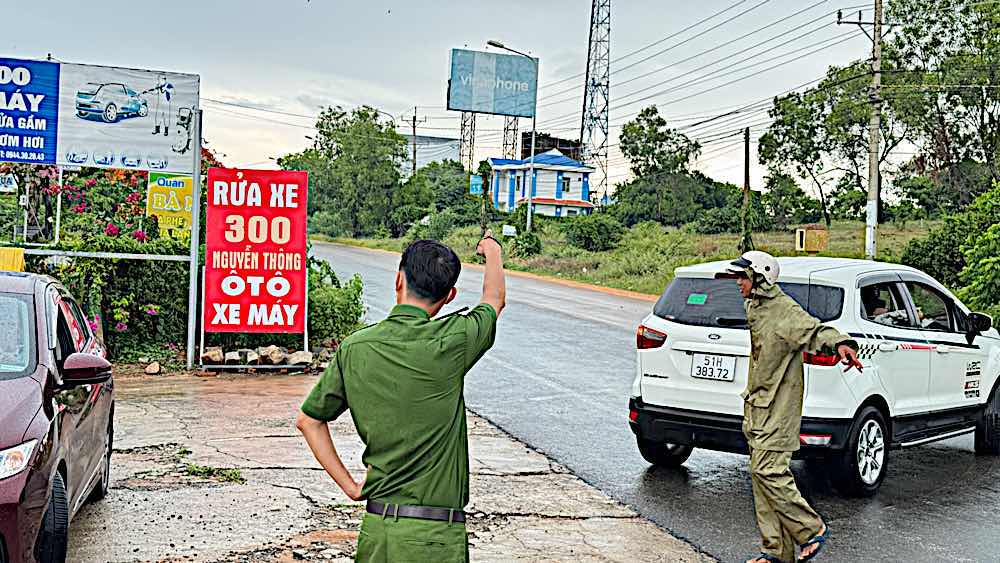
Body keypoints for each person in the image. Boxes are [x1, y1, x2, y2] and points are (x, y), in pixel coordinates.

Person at [296, 232, 505, 563]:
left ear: (398, 280)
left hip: (377, 533)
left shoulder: (355, 347)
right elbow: (493, 299)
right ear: (449, 296)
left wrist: (350, 486)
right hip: (436, 539)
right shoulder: (453, 341)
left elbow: (309, 420)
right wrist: (492, 251)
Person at [723, 251, 862, 563]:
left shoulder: (783, 310)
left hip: (779, 409)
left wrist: (842, 344)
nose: (738, 283)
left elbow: (813, 329)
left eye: (743, 277)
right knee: (761, 478)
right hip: (757, 404)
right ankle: (775, 553)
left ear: (760, 278)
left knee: (768, 470)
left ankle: (811, 530)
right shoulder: (755, 306)